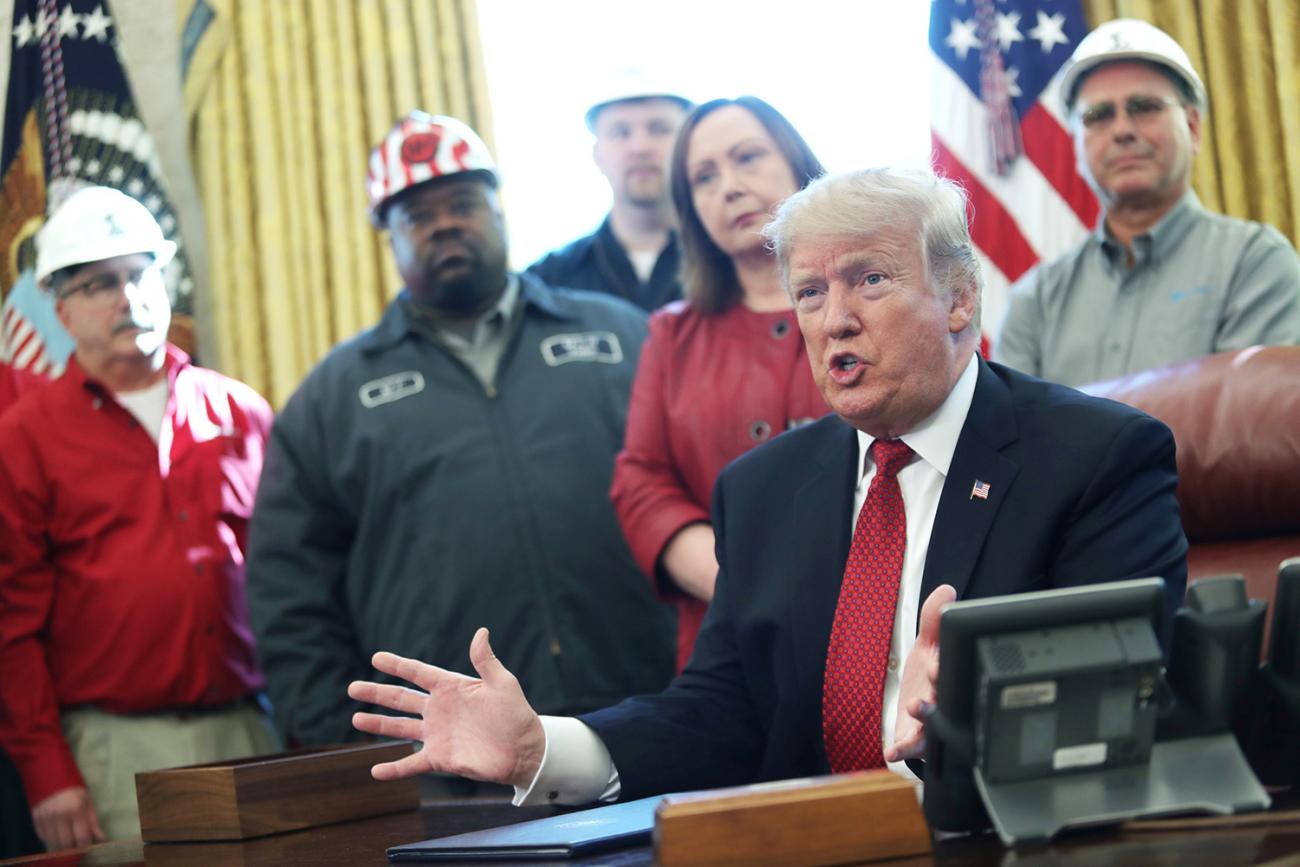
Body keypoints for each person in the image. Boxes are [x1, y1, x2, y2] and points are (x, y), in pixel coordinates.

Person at [347, 168, 1189, 808]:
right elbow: (721, 710)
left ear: (960, 299)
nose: (834, 320)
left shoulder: (1094, 458)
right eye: (812, 293)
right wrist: (543, 748)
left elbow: (1124, 707)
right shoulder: (764, 489)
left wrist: (972, 724)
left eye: (870, 280)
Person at [246, 113, 675, 754]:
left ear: (500, 211)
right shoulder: (332, 399)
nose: (444, 223)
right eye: (417, 215)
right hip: (456, 760)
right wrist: (343, 747)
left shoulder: (621, 338)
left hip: (650, 717)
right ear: (387, 239)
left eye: (463, 203)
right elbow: (289, 595)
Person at [0, 187, 279, 850]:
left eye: (139, 273)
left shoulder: (242, 414)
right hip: (113, 749)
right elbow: (10, 623)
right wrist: (47, 772)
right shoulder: (22, 439)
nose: (128, 297)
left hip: (256, 728)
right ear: (61, 309)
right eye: (101, 284)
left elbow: (293, 583)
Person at [610, 96, 831, 671]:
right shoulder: (671, 334)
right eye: (703, 178)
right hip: (729, 646)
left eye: (748, 158)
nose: (728, 187)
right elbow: (642, 484)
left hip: (884, 630)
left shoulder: (877, 303)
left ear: (797, 164)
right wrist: (741, 584)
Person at [995, 18, 1300, 386]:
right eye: (1098, 115)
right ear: (1075, 144)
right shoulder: (1034, 300)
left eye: (1144, 106)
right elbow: (1013, 439)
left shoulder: (1255, 264)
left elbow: (1247, 425)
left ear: (1192, 127)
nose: (1122, 129)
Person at [527, 84, 691, 311]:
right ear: (597, 155)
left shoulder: (730, 264)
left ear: (689, 146)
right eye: (620, 133)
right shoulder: (547, 283)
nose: (640, 147)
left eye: (659, 129)